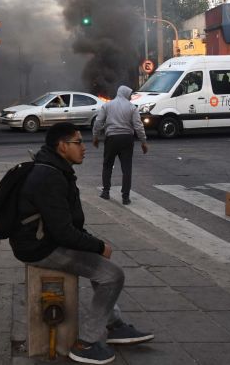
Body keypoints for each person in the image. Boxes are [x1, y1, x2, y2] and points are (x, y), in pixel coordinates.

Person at [10, 122, 153, 364]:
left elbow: (65, 225)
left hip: (42, 239)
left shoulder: (55, 167)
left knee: (100, 267)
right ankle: (85, 343)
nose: (84, 148)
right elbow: (63, 232)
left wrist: (90, 243)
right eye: (78, 143)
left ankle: (114, 325)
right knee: (112, 275)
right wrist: (98, 246)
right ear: (62, 146)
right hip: (40, 247)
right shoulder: (50, 176)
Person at [93, 85, 149, 205]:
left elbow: (98, 122)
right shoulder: (132, 107)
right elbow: (138, 126)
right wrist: (143, 142)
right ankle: (125, 196)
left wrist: (95, 136)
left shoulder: (107, 105)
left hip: (111, 138)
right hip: (127, 139)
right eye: (129, 95)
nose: (130, 97)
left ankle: (106, 191)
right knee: (126, 168)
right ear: (125, 94)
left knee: (107, 165)